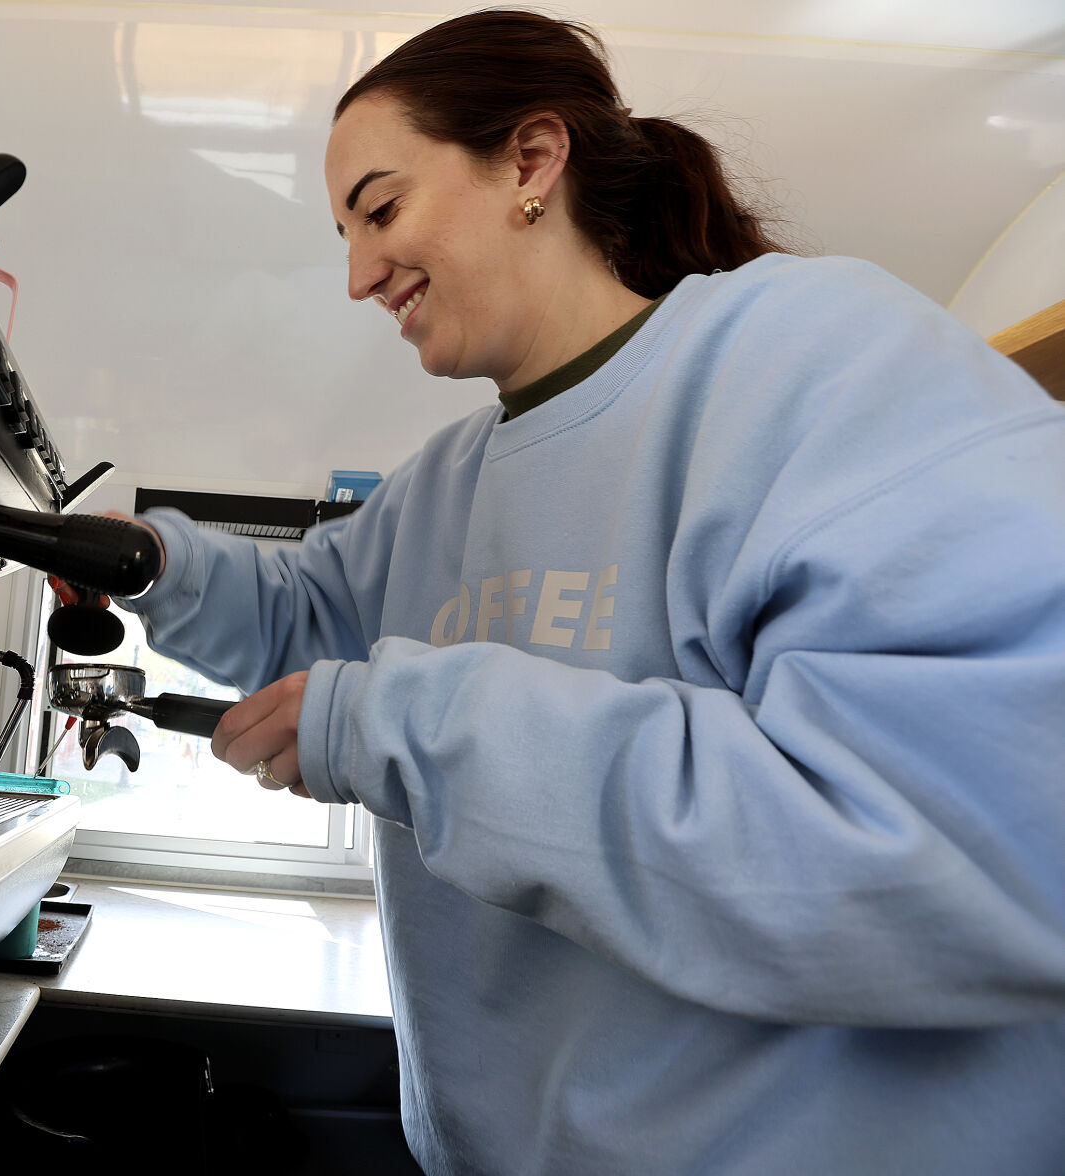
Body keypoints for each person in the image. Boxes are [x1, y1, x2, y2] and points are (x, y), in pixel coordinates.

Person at [112, 9, 1065, 1174]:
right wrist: (141, 558)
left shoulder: (813, 355)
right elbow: (298, 615)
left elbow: (972, 844)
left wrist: (400, 726)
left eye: (380, 208)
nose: (358, 274)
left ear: (530, 162)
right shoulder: (445, 482)